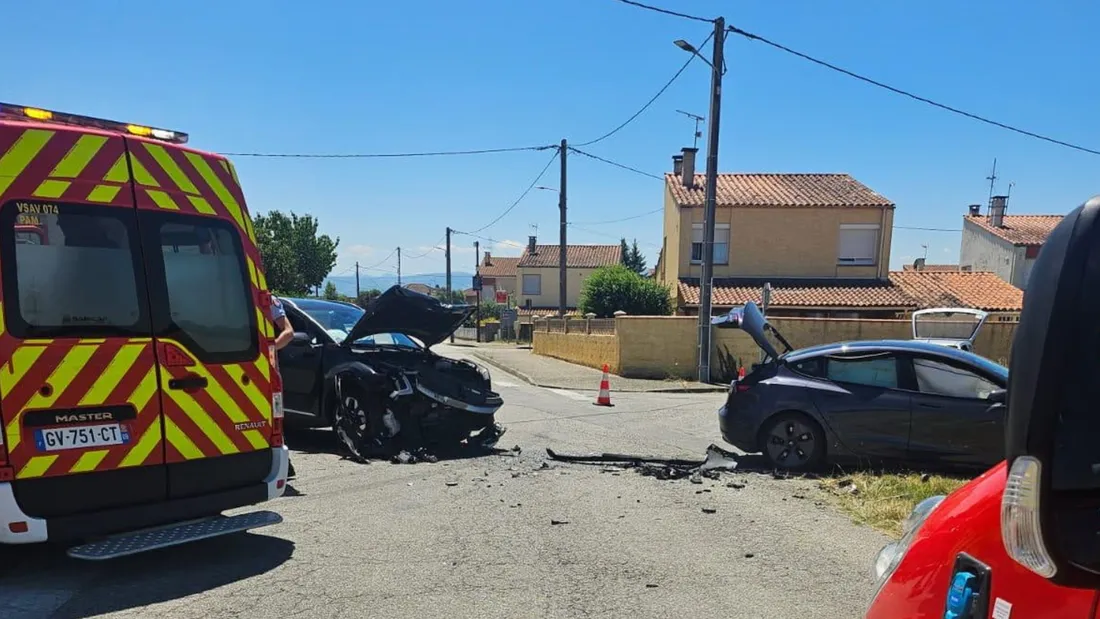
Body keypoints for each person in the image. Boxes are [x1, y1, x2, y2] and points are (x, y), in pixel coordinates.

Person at [270, 295, 295, 477]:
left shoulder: (268, 300)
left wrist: (270, 348)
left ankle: (283, 462)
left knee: (275, 414)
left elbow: (288, 332)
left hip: (267, 372)